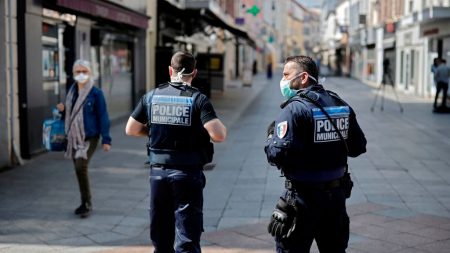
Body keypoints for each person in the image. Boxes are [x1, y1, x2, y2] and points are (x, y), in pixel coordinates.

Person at [125, 51, 226, 253]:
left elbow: (131, 129)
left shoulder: (151, 97)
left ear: (170, 70)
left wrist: (153, 132)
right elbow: (218, 135)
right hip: (187, 174)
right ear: (194, 73)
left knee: (161, 235)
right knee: (187, 236)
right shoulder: (198, 99)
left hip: (158, 174)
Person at [264, 55, 367, 253]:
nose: (283, 80)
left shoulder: (294, 108)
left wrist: (270, 138)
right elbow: (358, 147)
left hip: (301, 199)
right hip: (335, 198)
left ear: (303, 77)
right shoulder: (339, 103)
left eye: (286, 75)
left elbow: (276, 155)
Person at [56, 59, 111, 218]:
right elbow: (70, 115)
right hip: (74, 137)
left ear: (90, 73)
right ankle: (84, 201)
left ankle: (87, 203)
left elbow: (103, 116)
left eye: (84, 71)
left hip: (90, 137)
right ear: (73, 74)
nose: (81, 75)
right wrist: (63, 109)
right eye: (78, 72)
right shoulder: (71, 92)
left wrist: (106, 139)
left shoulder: (96, 93)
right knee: (79, 170)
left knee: (81, 167)